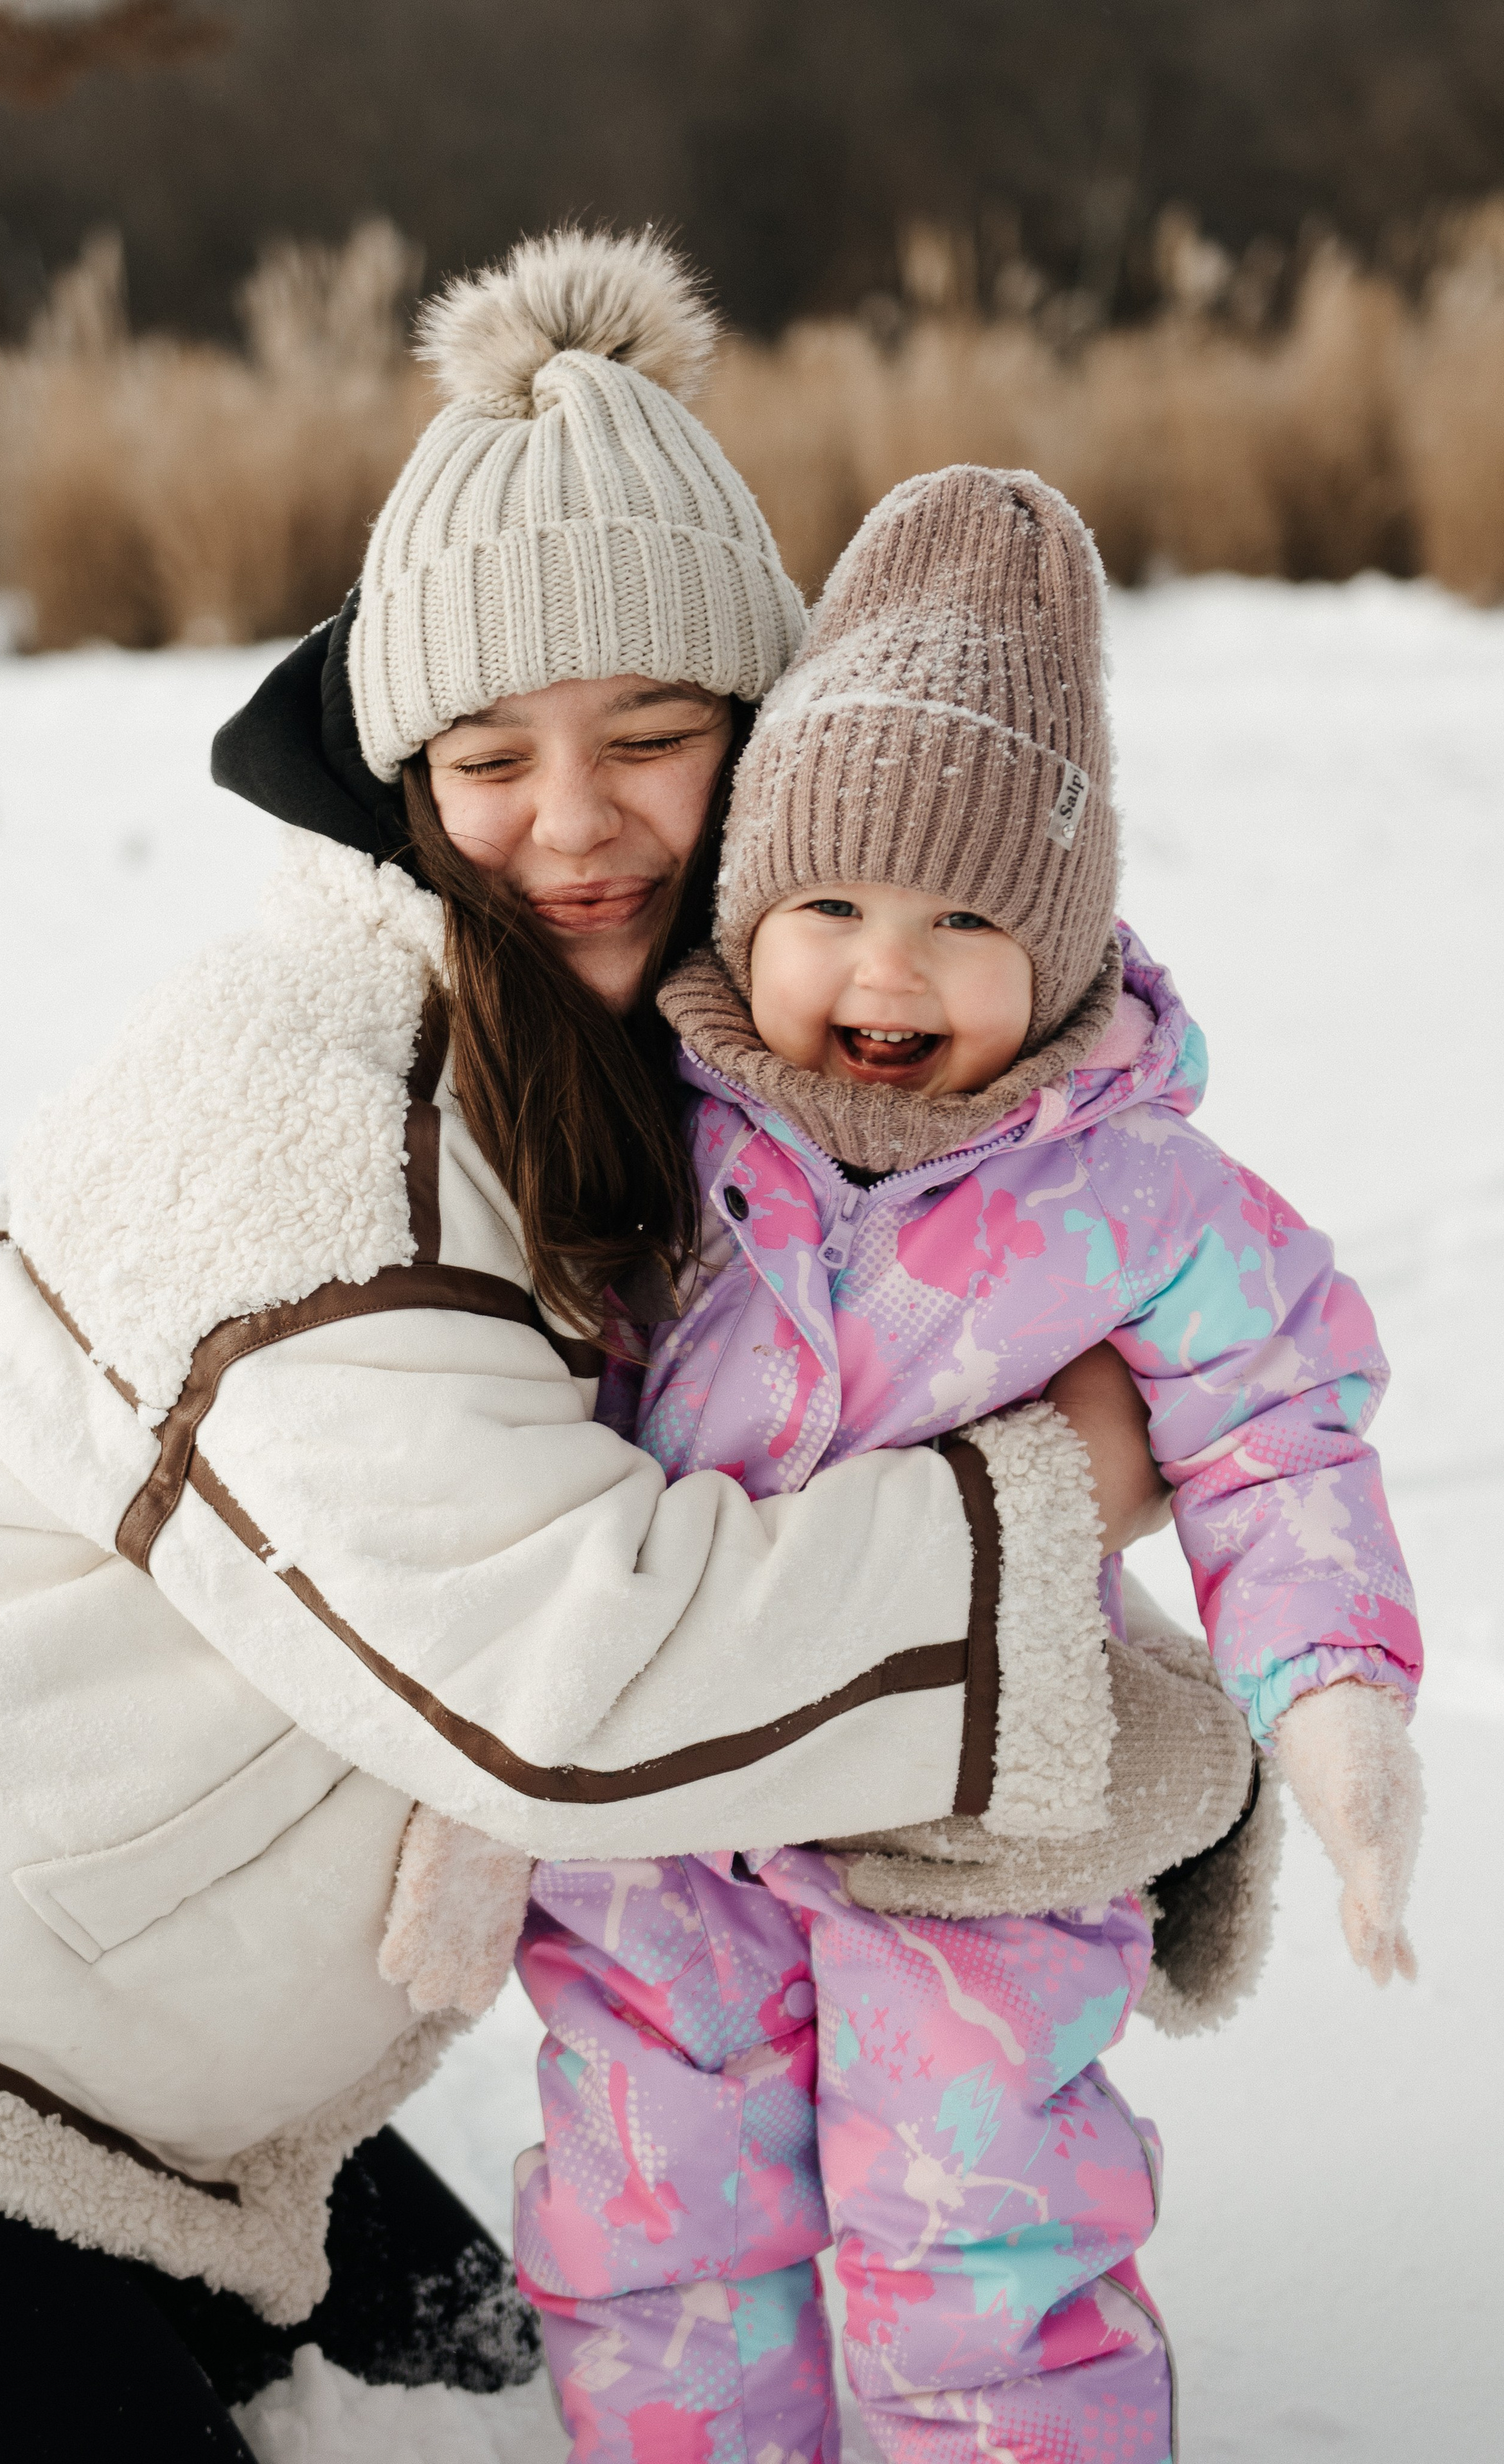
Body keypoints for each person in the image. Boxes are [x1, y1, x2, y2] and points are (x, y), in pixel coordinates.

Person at [0, 235, 1159, 2458]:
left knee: (534, 2396)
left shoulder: (659, 1078)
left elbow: (786, 1473)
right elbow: (567, 1676)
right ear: (397, 764)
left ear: (760, 741)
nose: (576, 826)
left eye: (654, 738)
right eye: (493, 756)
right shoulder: (310, 1100)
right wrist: (1060, 1503)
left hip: (200, 2127)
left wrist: (1154, 1730)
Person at [511, 465, 1426, 2461]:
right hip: (667, 1835)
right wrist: (464, 1794)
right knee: (655, 2229)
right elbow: (526, 1482)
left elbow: (1279, 1432)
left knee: (983, 2253)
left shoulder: (1141, 1195)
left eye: (962, 918)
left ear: (1069, 942)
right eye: (830, 906)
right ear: (752, 905)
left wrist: (1334, 1693)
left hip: (983, 1834)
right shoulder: (645, 1150)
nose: (885, 976)